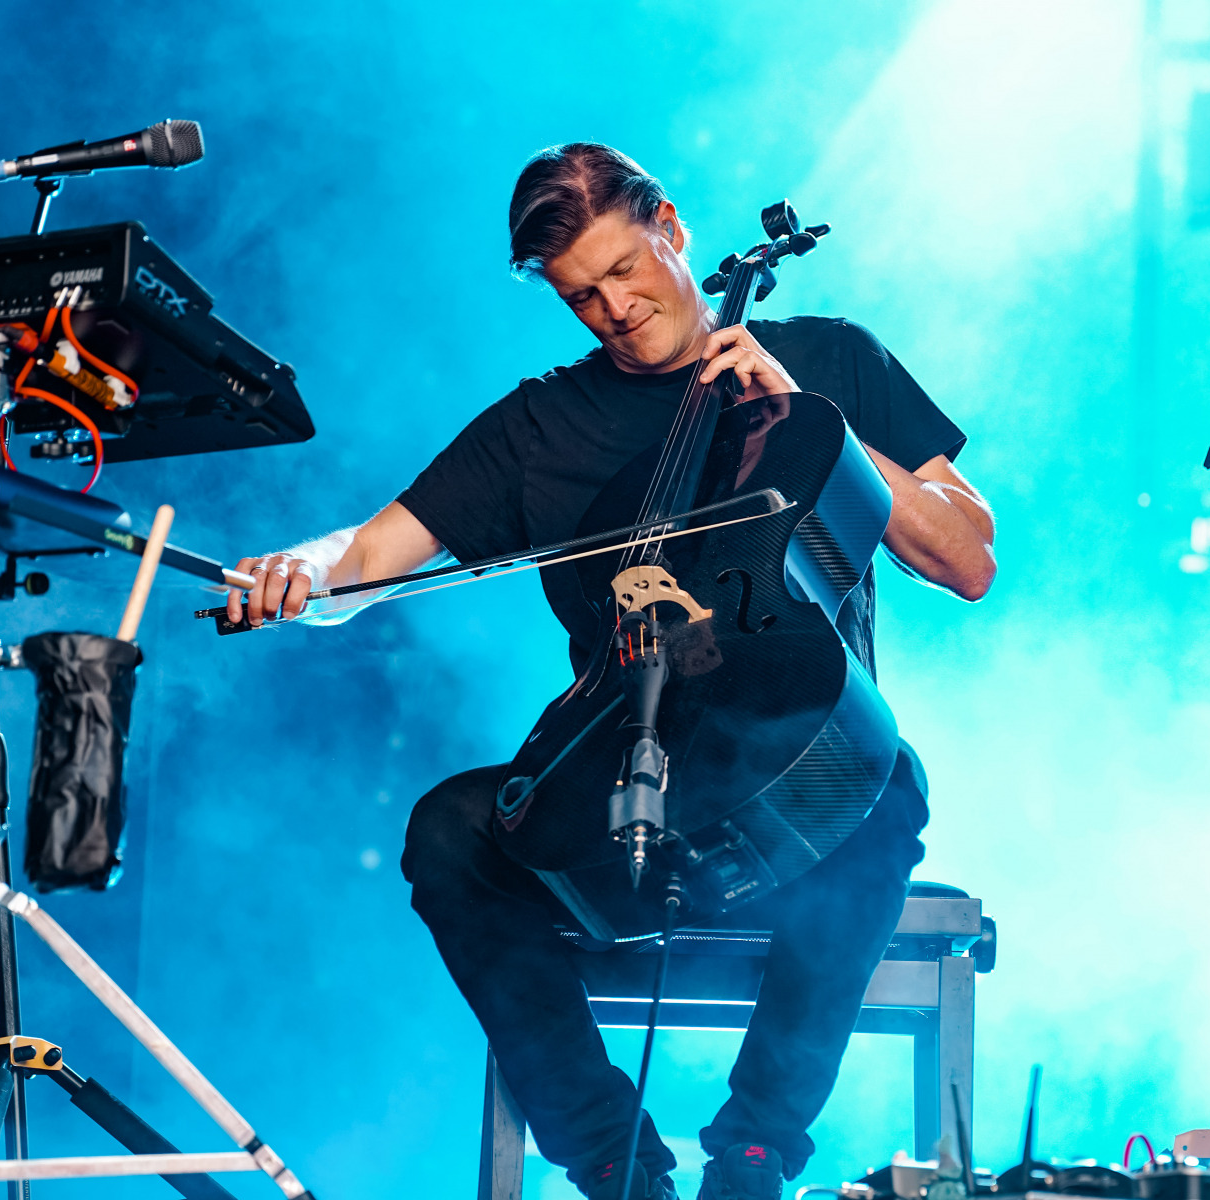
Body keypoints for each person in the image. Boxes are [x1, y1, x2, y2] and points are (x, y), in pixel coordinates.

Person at [228, 143, 996, 1200]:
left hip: (797, 784)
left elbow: (965, 559)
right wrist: (299, 572)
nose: (615, 311)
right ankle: (610, 1162)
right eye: (580, 296)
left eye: (625, 271)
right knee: (450, 834)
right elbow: (369, 552)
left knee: (884, 780)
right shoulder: (539, 427)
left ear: (670, 230)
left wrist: (813, 421)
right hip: (620, 793)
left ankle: (754, 1154)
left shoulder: (826, 357)